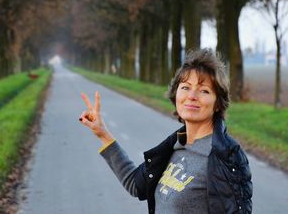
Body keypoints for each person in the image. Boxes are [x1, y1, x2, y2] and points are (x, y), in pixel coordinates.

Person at [79, 49, 252, 214]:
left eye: (204, 90)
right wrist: (103, 134)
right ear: (176, 94)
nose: (192, 95)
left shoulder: (225, 157)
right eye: (185, 87)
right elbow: (136, 184)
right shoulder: (175, 145)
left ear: (217, 104)